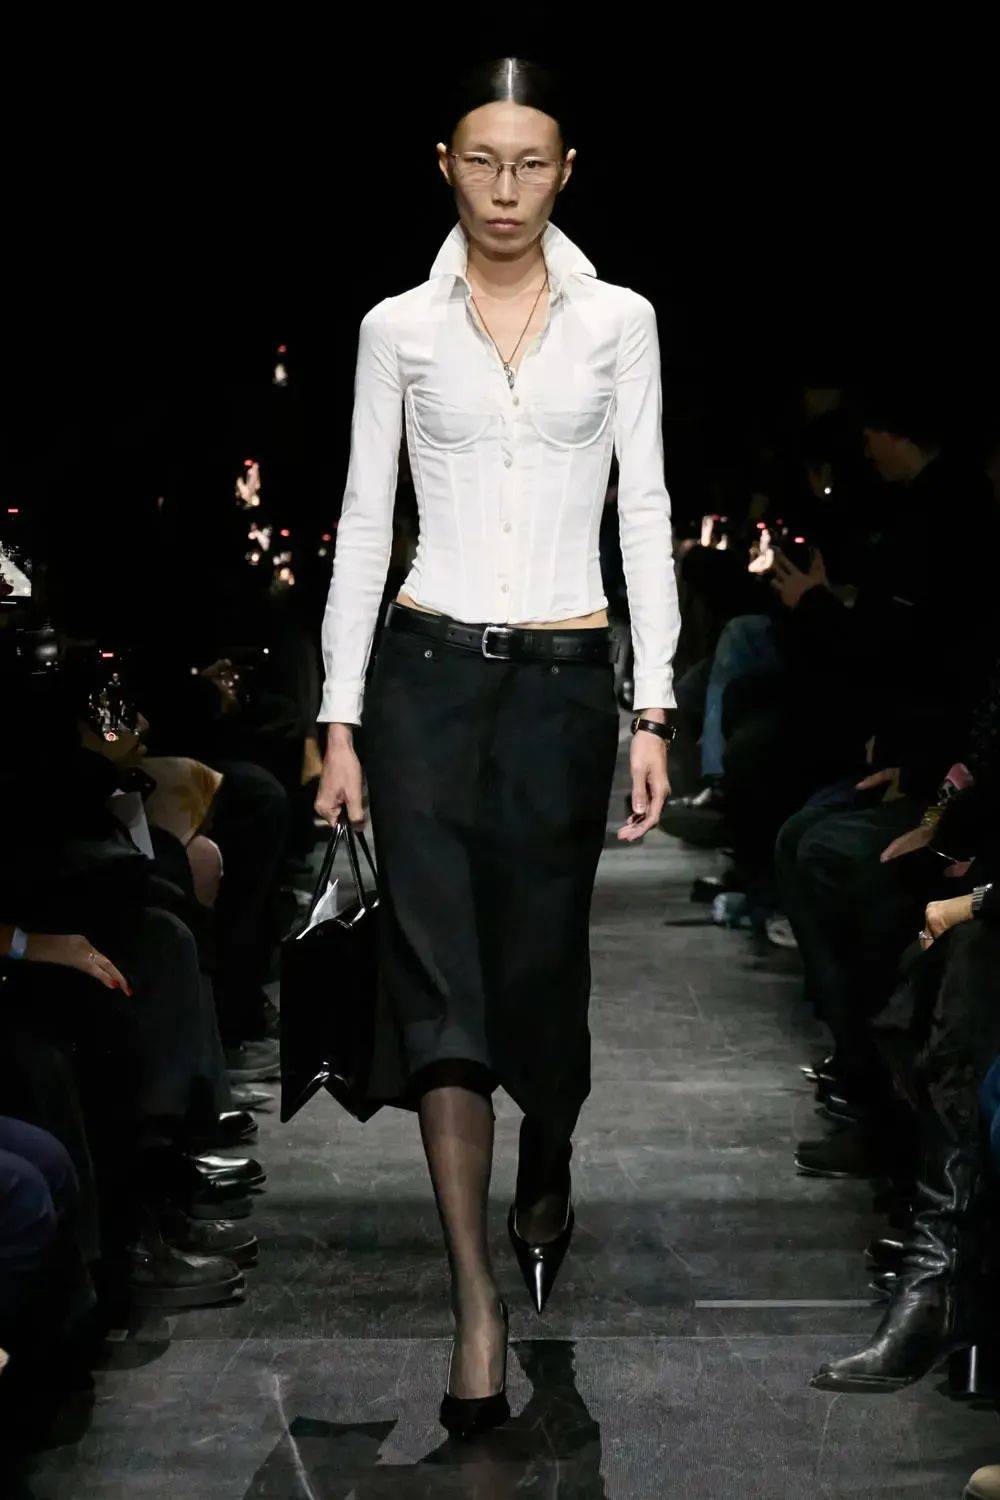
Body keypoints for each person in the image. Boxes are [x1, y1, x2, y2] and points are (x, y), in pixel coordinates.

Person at [313, 57, 679, 1438]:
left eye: (531, 164)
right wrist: (340, 716)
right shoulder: (397, 327)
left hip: (565, 686)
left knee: (541, 978)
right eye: (483, 160)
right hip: (423, 681)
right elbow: (365, 518)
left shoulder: (621, 321)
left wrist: (654, 706)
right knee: (442, 990)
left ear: (565, 172)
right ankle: (474, 1304)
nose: (507, 188)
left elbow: (645, 508)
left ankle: (553, 1145)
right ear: (446, 165)